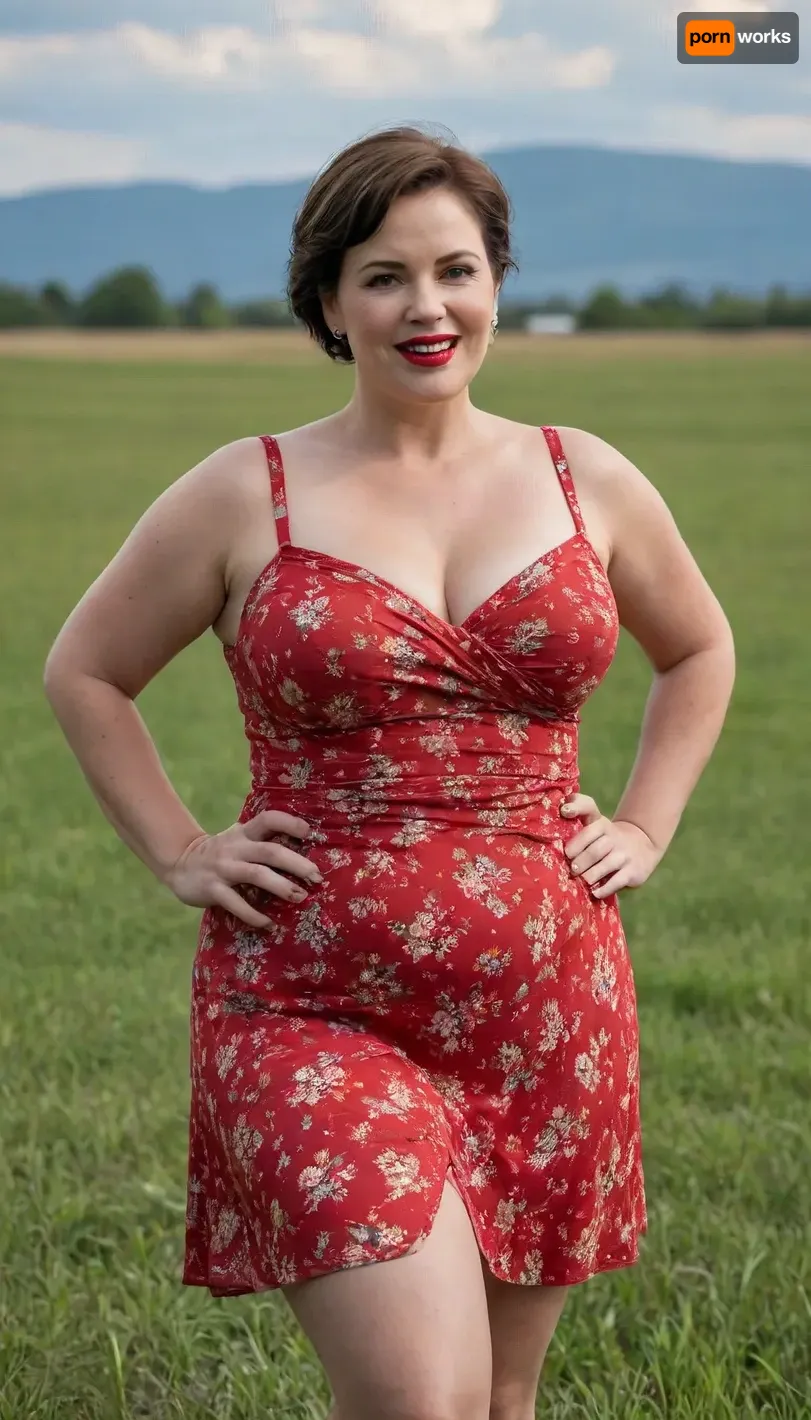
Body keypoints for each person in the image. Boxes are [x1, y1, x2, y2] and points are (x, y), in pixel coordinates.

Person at [44, 125, 735, 1420]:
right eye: (383, 274)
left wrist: (645, 822)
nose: (427, 306)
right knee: (422, 1398)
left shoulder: (586, 479)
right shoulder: (244, 493)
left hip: (549, 1006)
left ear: (495, 283)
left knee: (501, 1400)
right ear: (325, 300)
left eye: (456, 269)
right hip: (310, 1004)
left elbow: (697, 647)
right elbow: (83, 672)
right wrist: (182, 848)